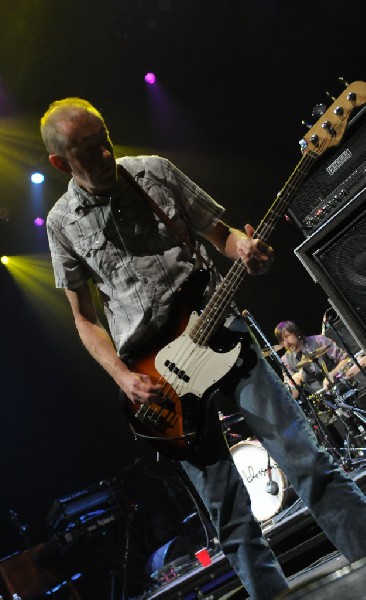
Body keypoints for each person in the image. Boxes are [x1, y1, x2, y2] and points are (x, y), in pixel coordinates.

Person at [41, 97, 366, 600]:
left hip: (222, 333)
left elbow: (222, 235)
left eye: (104, 140)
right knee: (231, 519)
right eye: (88, 151)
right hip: (159, 380)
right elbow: (84, 319)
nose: (105, 155)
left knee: (307, 462)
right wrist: (123, 378)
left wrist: (247, 249)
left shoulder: (151, 172)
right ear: (61, 162)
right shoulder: (62, 224)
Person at [273, 320, 350, 400]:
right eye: (282, 340)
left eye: (287, 336)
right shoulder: (285, 360)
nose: (286, 343)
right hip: (322, 401)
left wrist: (332, 374)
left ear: (295, 333)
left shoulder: (318, 340)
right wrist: (293, 384)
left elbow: (345, 359)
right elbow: (294, 394)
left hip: (341, 388)